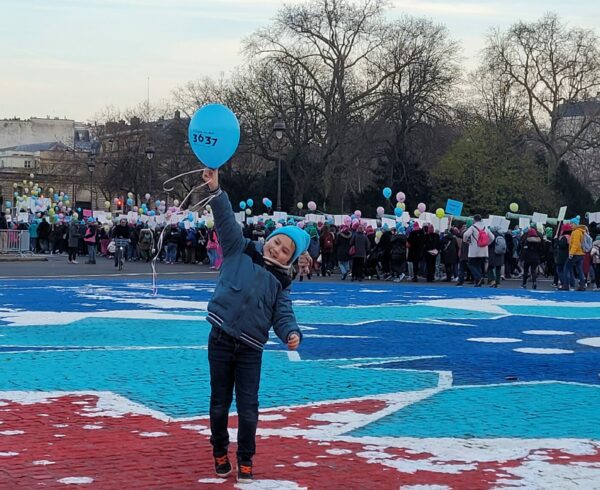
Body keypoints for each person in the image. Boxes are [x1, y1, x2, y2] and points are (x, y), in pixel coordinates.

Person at [202, 168, 309, 483]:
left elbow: (283, 315)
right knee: (219, 403)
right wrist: (216, 191)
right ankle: (219, 451)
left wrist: (291, 332)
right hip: (220, 337)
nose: (276, 250)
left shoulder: (281, 283)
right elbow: (225, 221)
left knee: (248, 408)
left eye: (285, 251)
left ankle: (245, 459)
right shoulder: (240, 249)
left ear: (290, 259)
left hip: (250, 348)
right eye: (276, 243)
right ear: (269, 239)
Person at [462, 215, 494, 287]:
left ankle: (479, 277)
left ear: (474, 220)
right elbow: (492, 237)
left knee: (471, 264)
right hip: (484, 250)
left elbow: (465, 234)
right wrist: (487, 244)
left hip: (474, 250)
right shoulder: (485, 227)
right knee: (478, 265)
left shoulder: (473, 227)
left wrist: (466, 241)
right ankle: (478, 281)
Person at [568, 223, 589, 291]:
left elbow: (575, 244)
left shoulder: (576, 232)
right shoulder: (582, 231)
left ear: (575, 224)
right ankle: (582, 285)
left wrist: (571, 253)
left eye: (572, 223)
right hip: (581, 253)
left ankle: (569, 284)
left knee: (567, 267)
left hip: (576, 253)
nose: (570, 225)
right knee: (580, 270)